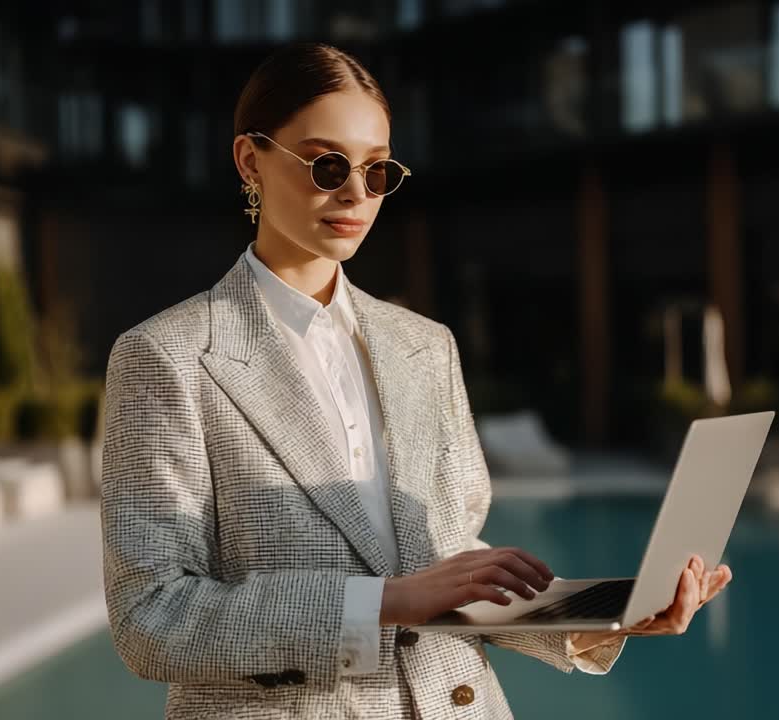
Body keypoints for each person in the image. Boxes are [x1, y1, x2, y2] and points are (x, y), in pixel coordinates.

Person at [100, 41, 732, 720]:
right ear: (250, 159)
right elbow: (151, 616)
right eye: (328, 164)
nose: (354, 193)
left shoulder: (425, 347)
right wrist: (386, 603)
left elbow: (454, 565)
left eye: (377, 173)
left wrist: (599, 617)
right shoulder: (166, 358)